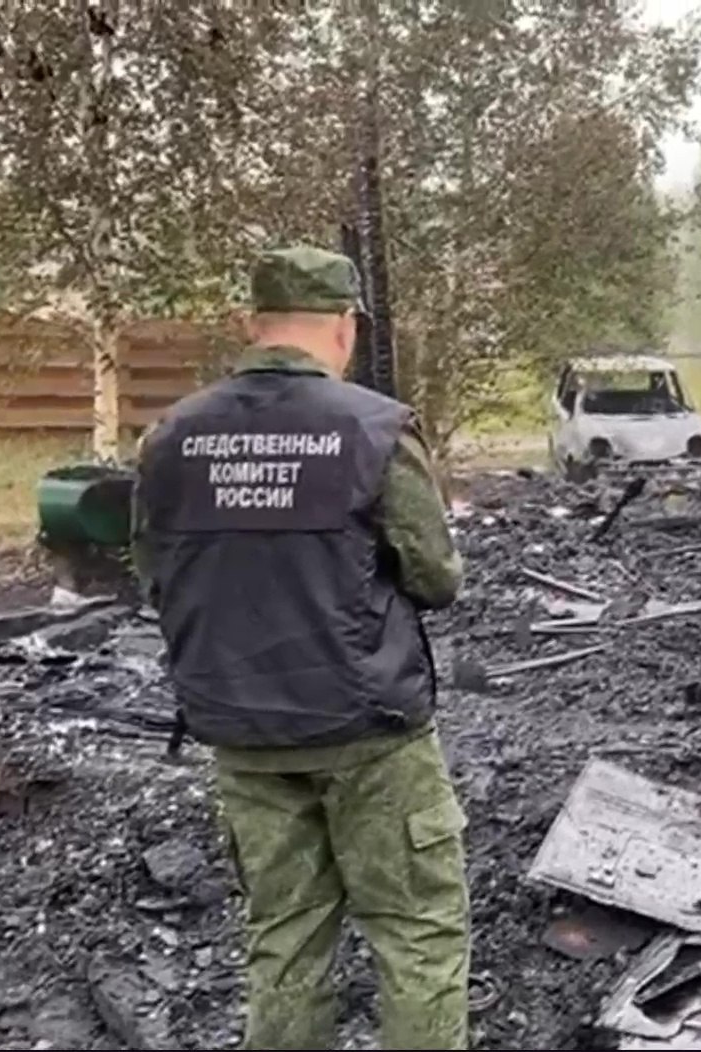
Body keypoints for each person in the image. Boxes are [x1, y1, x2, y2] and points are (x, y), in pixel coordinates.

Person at [129, 245, 470, 1049]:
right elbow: (436, 578)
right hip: (371, 733)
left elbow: (152, 576)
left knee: (283, 940)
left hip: (242, 731)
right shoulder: (376, 430)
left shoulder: (169, 440)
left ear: (253, 325)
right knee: (417, 935)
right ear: (345, 327)